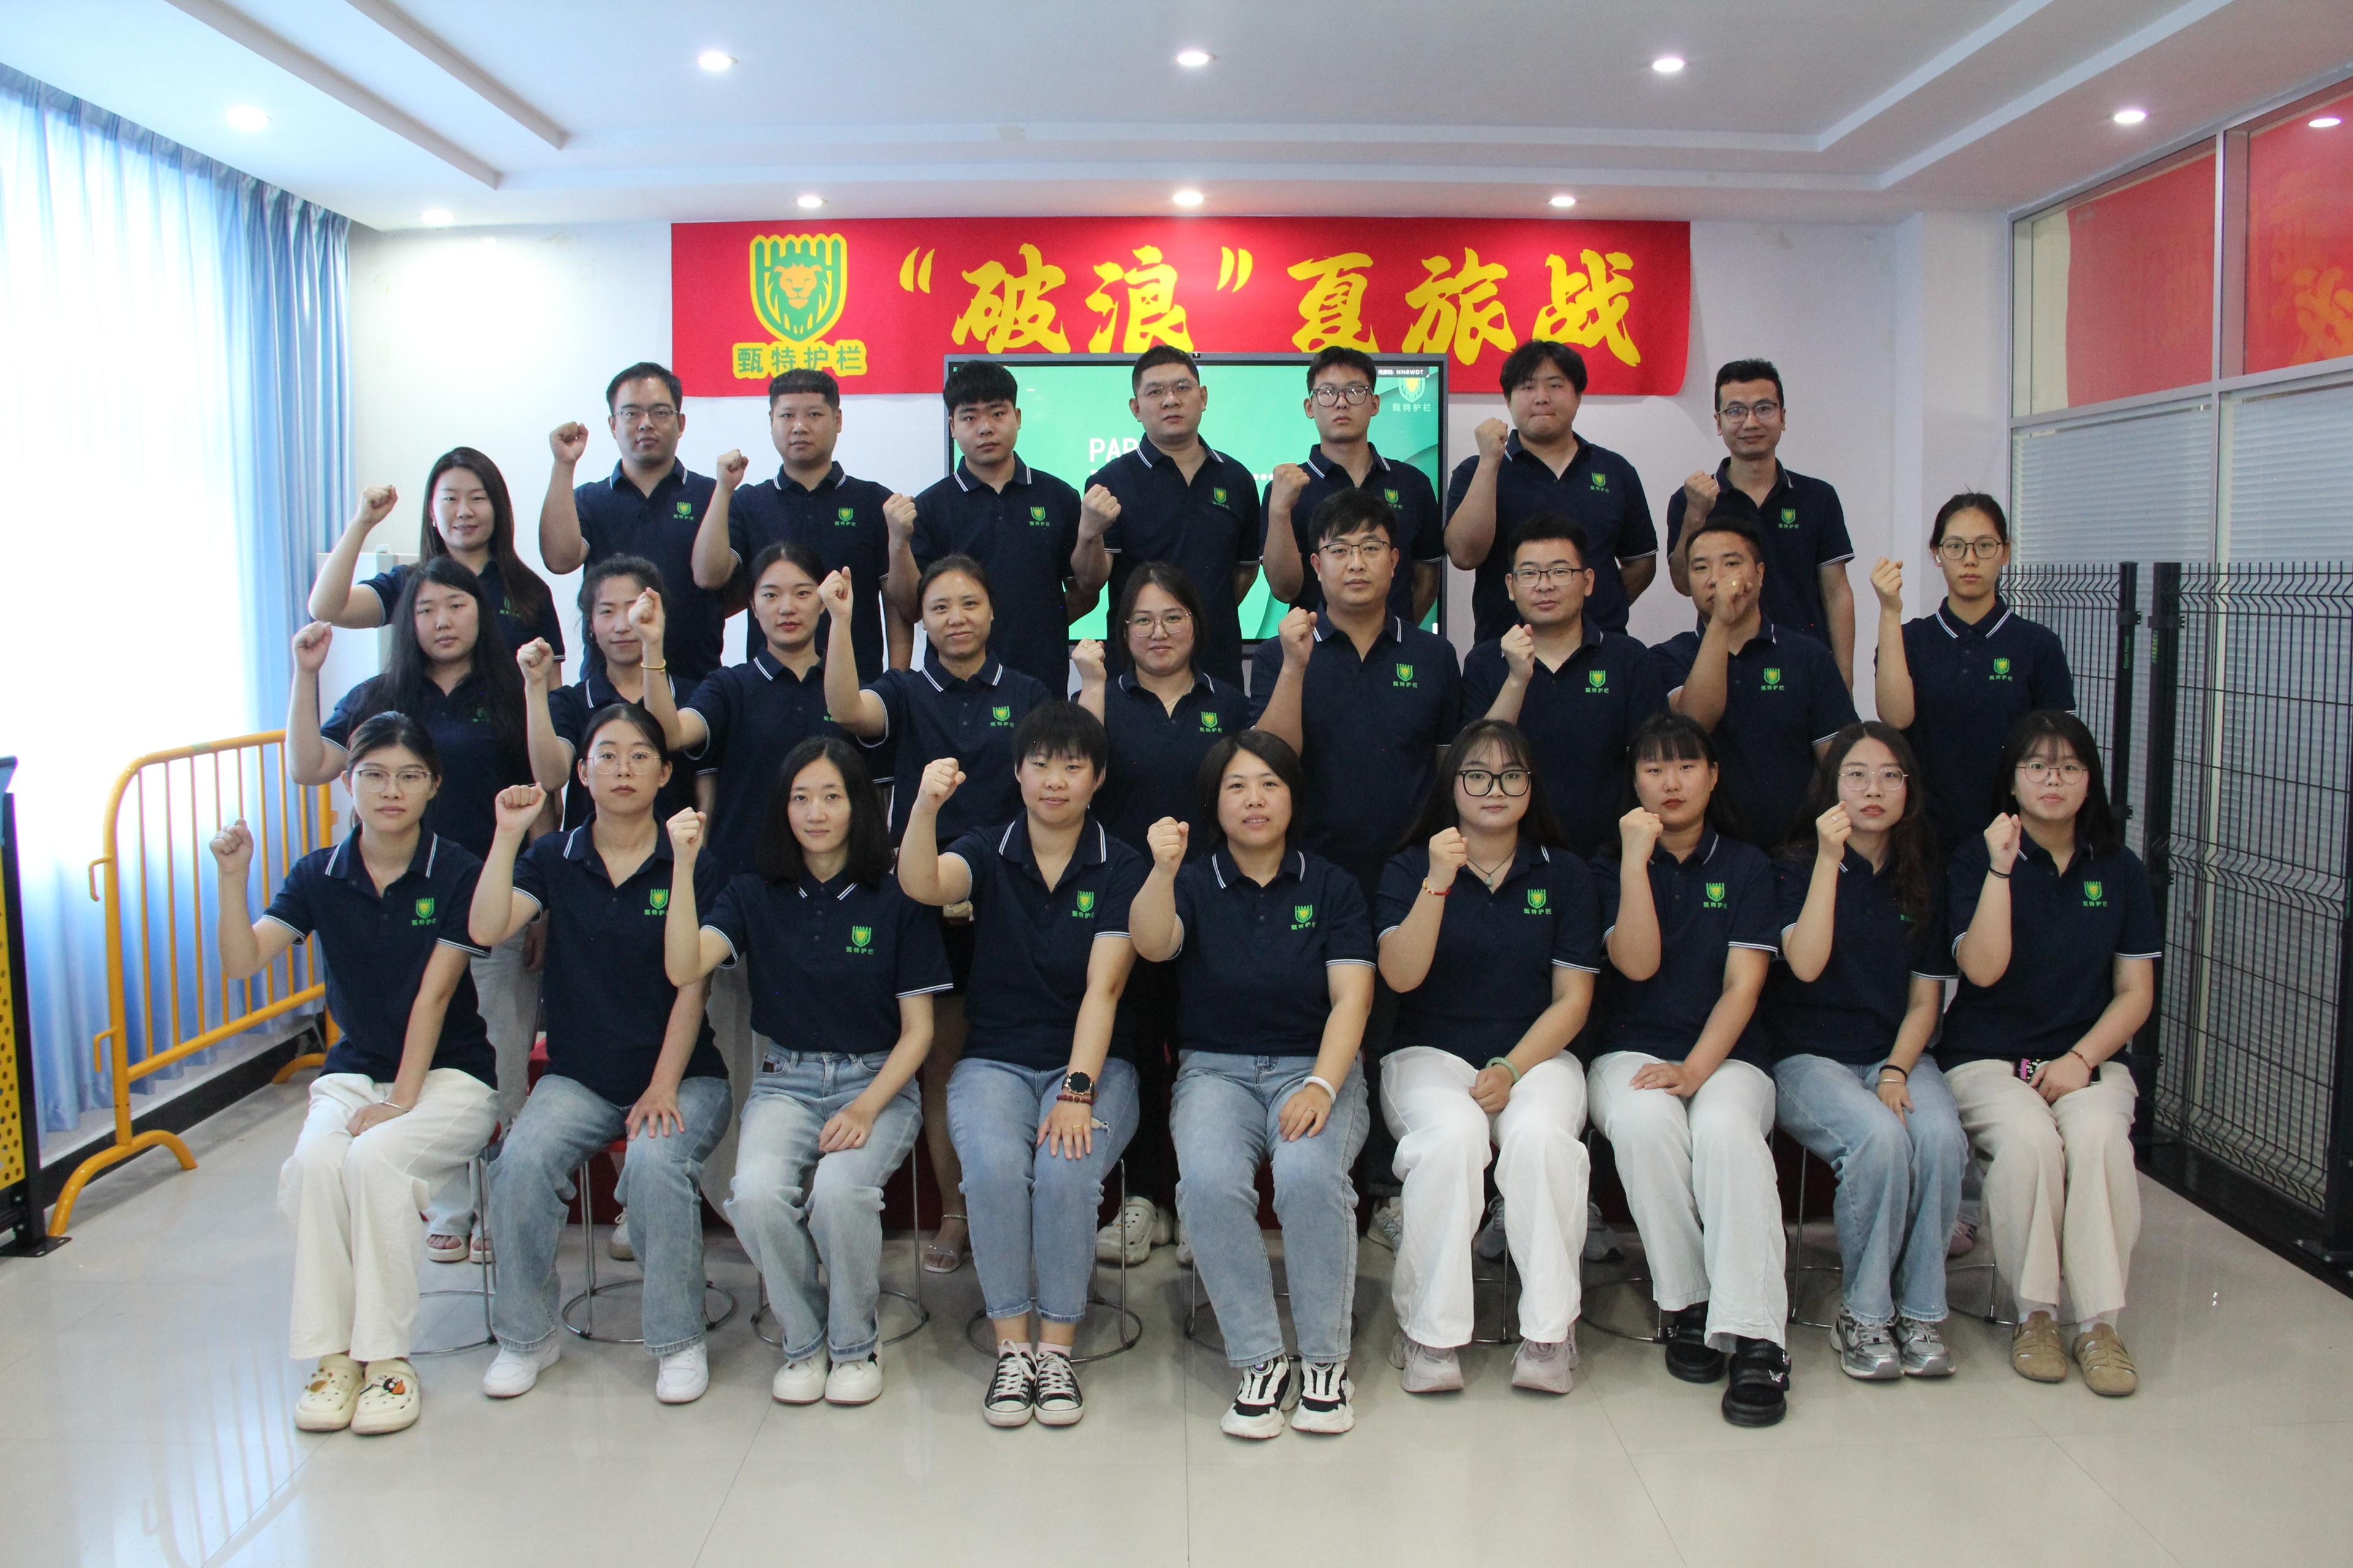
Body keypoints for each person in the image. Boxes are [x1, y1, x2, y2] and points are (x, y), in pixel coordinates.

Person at [210, 712, 500, 1436]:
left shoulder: (457, 869)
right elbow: (244, 961)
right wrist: (232, 877)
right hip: (354, 1073)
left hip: (450, 1076)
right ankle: (334, 1357)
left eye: (408, 776)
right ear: (348, 784)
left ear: (433, 786)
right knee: (313, 1167)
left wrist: (403, 1099)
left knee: (373, 1161)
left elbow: (435, 996)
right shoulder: (318, 874)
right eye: (372, 774)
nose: (390, 791)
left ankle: (388, 1362)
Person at [663, 737, 950, 1407]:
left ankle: (854, 1342)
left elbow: (920, 1035)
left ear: (858, 804)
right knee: (756, 1195)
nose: (815, 812)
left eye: (831, 796)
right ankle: (804, 1337)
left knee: (843, 1191)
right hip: (784, 1081)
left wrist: (865, 1107)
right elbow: (683, 968)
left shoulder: (898, 895)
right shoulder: (753, 892)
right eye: (800, 798)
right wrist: (682, 868)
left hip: (876, 1080)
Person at [468, 715, 732, 1405]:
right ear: (581, 772)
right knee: (520, 1162)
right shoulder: (555, 857)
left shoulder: (691, 856)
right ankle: (526, 1337)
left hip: (683, 1075)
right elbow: (488, 926)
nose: (622, 768)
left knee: (653, 1162)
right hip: (578, 1077)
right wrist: (504, 835)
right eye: (606, 756)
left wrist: (664, 1086)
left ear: (664, 773)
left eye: (640, 755)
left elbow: (692, 983)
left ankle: (677, 1342)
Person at [896, 705, 1146, 1428]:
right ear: (1017, 773)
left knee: (1067, 1170)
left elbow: (1105, 989)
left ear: (1097, 778)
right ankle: (1013, 1349)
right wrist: (923, 807)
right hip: (995, 1060)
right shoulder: (986, 845)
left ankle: (1057, 1351)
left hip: (1095, 1063)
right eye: (1040, 764)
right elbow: (922, 883)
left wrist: (1078, 1089)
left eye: (1073, 766)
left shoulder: (1122, 864)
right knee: (999, 1171)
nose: (1055, 780)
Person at [1127, 731, 1375, 1436]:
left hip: (1314, 1067)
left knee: (1307, 1176)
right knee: (1205, 1183)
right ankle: (1261, 1358)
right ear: (1215, 802)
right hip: (1216, 1070)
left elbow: (1352, 1000)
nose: (1254, 799)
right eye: (1237, 786)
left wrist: (1322, 1089)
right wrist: (1161, 872)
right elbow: (1151, 943)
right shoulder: (1196, 880)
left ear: (1293, 798)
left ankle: (1325, 1361)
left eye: (1269, 783)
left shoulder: (1332, 886)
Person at [287, 562, 536, 1262]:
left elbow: (540, 792)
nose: (443, 620)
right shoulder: (381, 696)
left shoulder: (509, 694)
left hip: (486, 897)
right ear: (408, 622)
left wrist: (538, 904)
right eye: (426, 609)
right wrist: (306, 675)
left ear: (481, 614)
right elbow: (311, 763)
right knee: (415, 1047)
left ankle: (500, 1202)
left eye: (458, 605)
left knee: (498, 1048)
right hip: (403, 905)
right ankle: (451, 1204)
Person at [827, 554, 1053, 1278]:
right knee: (944, 1062)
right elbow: (846, 710)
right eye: (941, 607)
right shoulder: (903, 689)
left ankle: (1035, 1206)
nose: (956, 618)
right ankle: (958, 1212)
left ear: (992, 614)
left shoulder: (1027, 691)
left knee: (1025, 1050)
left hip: (1016, 895)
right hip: (926, 896)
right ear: (921, 620)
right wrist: (839, 620)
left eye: (970, 604)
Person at [1374, 720, 1599, 1396]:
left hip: (1537, 1056)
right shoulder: (1411, 866)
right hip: (1427, 1054)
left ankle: (1550, 1334)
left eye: (1511, 776)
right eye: (1476, 775)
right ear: (1453, 786)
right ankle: (1430, 1336)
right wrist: (1439, 882)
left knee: (1538, 1138)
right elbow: (1401, 976)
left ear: (1532, 788)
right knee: (1452, 1138)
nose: (1493, 789)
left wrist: (1510, 1068)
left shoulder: (1564, 874)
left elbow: (1573, 1000)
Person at [1942, 710, 2158, 1398]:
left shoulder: (2120, 871)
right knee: (2032, 1143)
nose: (2053, 780)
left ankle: (2099, 1324)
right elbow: (1980, 971)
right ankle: (2033, 1313)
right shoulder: (1976, 858)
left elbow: (2134, 992)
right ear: (2013, 780)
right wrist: (2001, 872)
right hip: (1987, 1060)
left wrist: (2082, 1060)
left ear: (2090, 780)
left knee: (2099, 1140)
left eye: (2068, 767)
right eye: (2036, 766)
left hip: (2086, 1060)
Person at [1585, 713, 1792, 1427]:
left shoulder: (1746, 865)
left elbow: (1744, 986)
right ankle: (1690, 1303)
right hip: (1630, 1050)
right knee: (1645, 1125)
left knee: (1730, 1133)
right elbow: (1636, 963)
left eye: (1685, 767)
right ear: (1633, 781)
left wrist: (1698, 1070)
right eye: (1653, 769)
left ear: (1712, 776)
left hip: (1729, 1054)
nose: (1669, 783)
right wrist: (1634, 864)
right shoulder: (1605, 865)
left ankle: (1759, 1335)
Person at [636, 543, 839, 1210]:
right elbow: (671, 730)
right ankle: (730, 1202)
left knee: (809, 1060)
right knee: (740, 1057)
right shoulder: (730, 685)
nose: (787, 607)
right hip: (740, 897)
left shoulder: (846, 685)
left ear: (826, 599)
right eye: (772, 594)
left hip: (826, 902)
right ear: (751, 605)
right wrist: (652, 649)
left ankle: (801, 1200)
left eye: (801, 592)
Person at [1764, 722, 1968, 1380]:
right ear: (1831, 787)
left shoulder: (1924, 874)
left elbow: (1924, 1002)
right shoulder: (1794, 865)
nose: (1873, 790)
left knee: (1937, 1136)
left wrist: (1899, 1069)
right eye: (1856, 775)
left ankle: (1923, 1311)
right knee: (1878, 1139)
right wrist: (1828, 861)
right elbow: (1806, 963)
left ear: (1909, 788)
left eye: (1889, 776)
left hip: (1894, 1054)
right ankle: (1866, 1312)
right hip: (1807, 1057)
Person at [1074, 561, 1251, 1267]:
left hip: (1212, 900)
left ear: (1197, 627)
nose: (1158, 633)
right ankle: (1145, 1198)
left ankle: (1196, 1194)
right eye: (1142, 620)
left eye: (1173, 618)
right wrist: (1090, 689)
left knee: (1203, 1049)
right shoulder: (1104, 696)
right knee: (1138, 1048)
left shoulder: (1229, 704)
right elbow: (1083, 779)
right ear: (1122, 632)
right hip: (1127, 896)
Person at [1251, 488, 1464, 903]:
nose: (1356, 563)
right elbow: (1271, 760)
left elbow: (1447, 768)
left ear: (1395, 560)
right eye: (1340, 549)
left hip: (1413, 871)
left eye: (1371, 548)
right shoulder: (1278, 654)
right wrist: (1295, 667)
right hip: (1308, 871)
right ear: (1316, 564)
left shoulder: (1435, 655)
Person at [1872, 493, 2076, 857]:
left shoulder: (2038, 645)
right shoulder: (1909, 639)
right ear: (1936, 553)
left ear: (2005, 552)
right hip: (1922, 837)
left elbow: (2057, 751)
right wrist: (1889, 611)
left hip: (2011, 838)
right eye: (1955, 546)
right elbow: (1896, 716)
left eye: (1984, 546)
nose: (1970, 559)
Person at [891, 360, 1112, 693]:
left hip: (1040, 676)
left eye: (997, 414)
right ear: (952, 426)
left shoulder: (1059, 497)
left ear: (1018, 418)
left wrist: (1042, 624)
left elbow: (1088, 588)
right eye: (970, 417)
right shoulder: (929, 507)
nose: (985, 428)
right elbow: (910, 607)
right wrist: (898, 543)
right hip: (954, 682)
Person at [1464, 516, 1667, 857]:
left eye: (1560, 572)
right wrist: (1516, 678)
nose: (1544, 586)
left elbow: (1653, 763)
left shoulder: (1629, 659)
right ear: (1511, 586)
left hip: (1612, 853)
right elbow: (1477, 766)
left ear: (1587, 581)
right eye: (1529, 574)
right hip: (1513, 856)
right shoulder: (1484, 662)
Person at [1655, 515, 1856, 846]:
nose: (1715, 579)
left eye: (1731, 564)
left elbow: (1837, 765)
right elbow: (1694, 724)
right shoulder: (1669, 656)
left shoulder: (1808, 656)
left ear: (1760, 574)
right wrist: (1721, 621)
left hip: (1797, 848)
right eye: (1701, 568)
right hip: (1704, 854)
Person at [698, 368, 911, 680]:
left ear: (838, 420)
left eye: (813, 415)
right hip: (769, 684)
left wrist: (896, 682)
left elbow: (896, 606)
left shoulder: (874, 501)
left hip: (857, 683)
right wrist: (723, 490)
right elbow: (709, 577)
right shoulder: (748, 503)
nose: (799, 427)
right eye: (786, 416)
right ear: (771, 420)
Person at [1443, 340, 1657, 643]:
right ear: (1508, 399)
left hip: (1601, 650)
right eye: (1528, 387)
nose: (1542, 398)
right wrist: (1490, 463)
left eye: (1555, 386)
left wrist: (1595, 608)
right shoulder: (1476, 471)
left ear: (1578, 396)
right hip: (1505, 648)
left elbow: (1641, 562)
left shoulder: (1615, 471)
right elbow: (1464, 556)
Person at [1664, 360, 1857, 683]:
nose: (1750, 422)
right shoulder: (1690, 499)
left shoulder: (1817, 497)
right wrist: (1697, 513)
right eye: (1736, 411)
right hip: (1722, 661)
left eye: (1764, 408)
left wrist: (1844, 680)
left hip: (1806, 662)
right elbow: (1684, 585)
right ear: (1718, 422)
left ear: (1783, 417)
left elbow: (1837, 593)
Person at [1085, 347, 1265, 686]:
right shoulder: (1110, 482)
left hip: (1218, 664)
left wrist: (1199, 613)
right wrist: (1088, 534)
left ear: (1203, 397)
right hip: (1136, 671)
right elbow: (1093, 579)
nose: (1171, 400)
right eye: (1155, 392)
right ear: (1136, 409)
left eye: (1183, 388)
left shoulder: (1238, 479)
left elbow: (1244, 572)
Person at [539, 361, 729, 683]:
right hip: (606, 685)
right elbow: (560, 560)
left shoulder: (713, 495)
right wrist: (563, 465)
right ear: (613, 425)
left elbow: (719, 581)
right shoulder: (590, 500)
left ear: (680, 423)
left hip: (693, 681)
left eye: (659, 412)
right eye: (631, 413)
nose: (646, 424)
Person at [309, 449, 565, 659]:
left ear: (498, 508)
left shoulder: (529, 592)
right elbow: (327, 609)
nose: (464, 511)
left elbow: (551, 692)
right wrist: (361, 524)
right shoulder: (410, 584)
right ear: (432, 511)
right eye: (450, 499)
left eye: (477, 498)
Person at [1260, 347, 1444, 625]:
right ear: (1310, 407)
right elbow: (1284, 590)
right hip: (1314, 650)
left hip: (1394, 653)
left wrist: (1395, 633)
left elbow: (1427, 577)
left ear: (1374, 404)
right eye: (1327, 392)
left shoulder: (1412, 483)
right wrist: (1280, 512)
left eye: (1356, 391)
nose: (1341, 402)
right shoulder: (1287, 489)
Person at [520, 557, 697, 832]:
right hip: (588, 865)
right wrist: (534, 686)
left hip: (673, 858)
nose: (622, 626)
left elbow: (704, 787)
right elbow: (552, 777)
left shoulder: (693, 696)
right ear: (590, 624)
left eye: (633, 610)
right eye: (606, 612)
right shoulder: (571, 702)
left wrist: (653, 645)